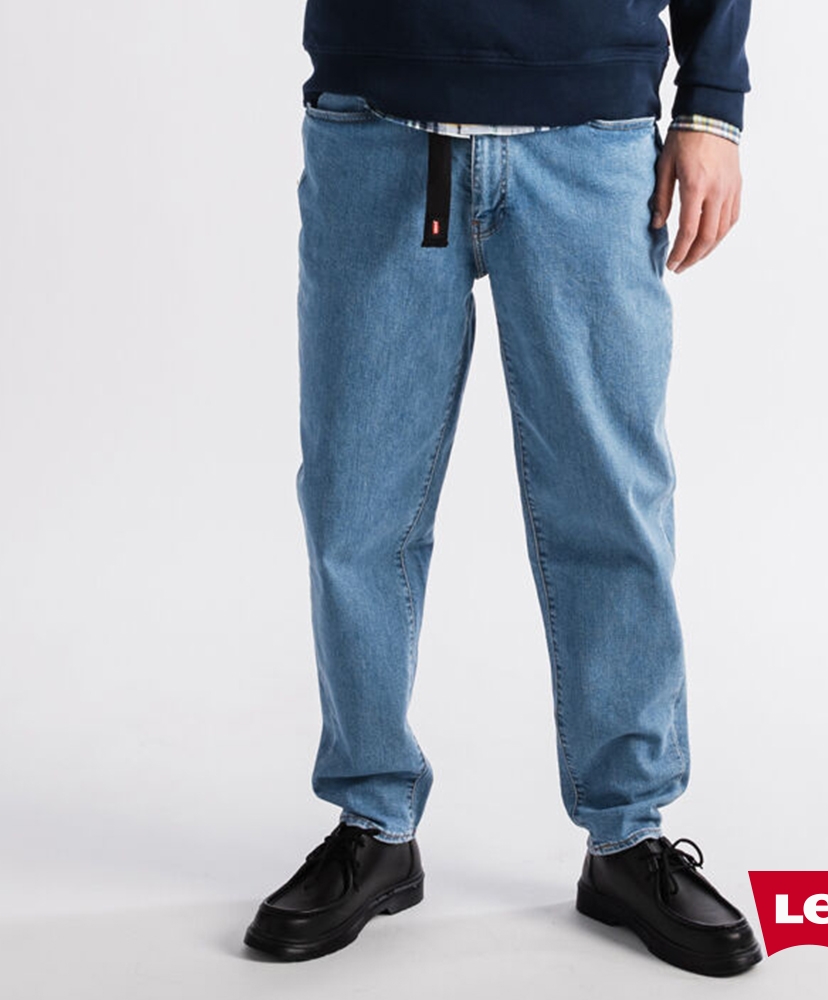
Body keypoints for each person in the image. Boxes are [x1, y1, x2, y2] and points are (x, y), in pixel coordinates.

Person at [244, 0, 762, 977]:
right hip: (375, 124)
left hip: (591, 136)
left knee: (612, 506)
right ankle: (373, 824)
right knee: (355, 506)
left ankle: (628, 835)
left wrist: (712, 106)